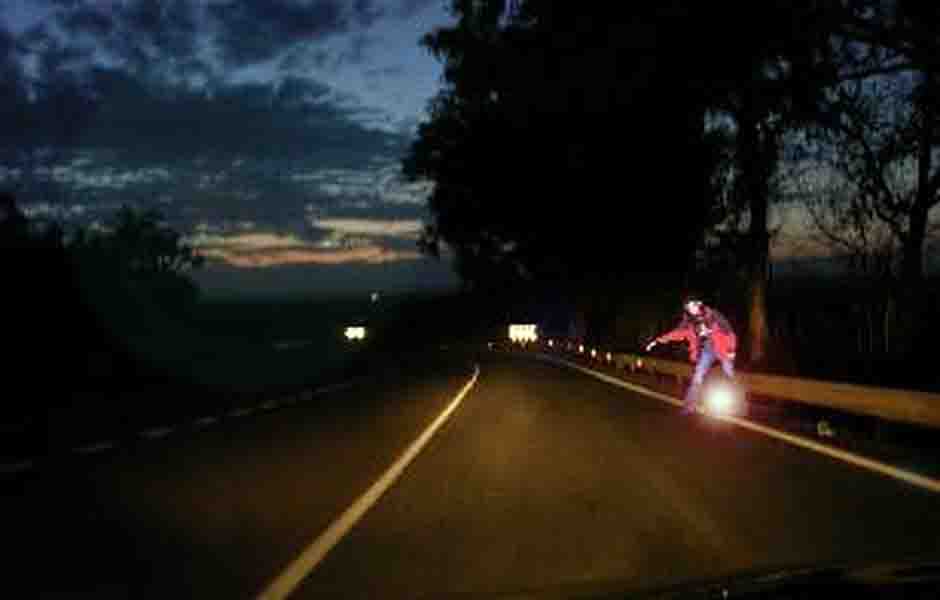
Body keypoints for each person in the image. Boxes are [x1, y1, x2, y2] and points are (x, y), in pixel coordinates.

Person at [646, 297, 737, 414]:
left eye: (693, 305)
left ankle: (735, 403)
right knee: (697, 376)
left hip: (722, 347)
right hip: (707, 350)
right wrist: (658, 341)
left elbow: (729, 331)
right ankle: (689, 406)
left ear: (699, 304)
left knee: (729, 372)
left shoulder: (713, 314)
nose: (691, 309)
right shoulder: (689, 322)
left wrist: (731, 349)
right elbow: (677, 333)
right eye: (688, 308)